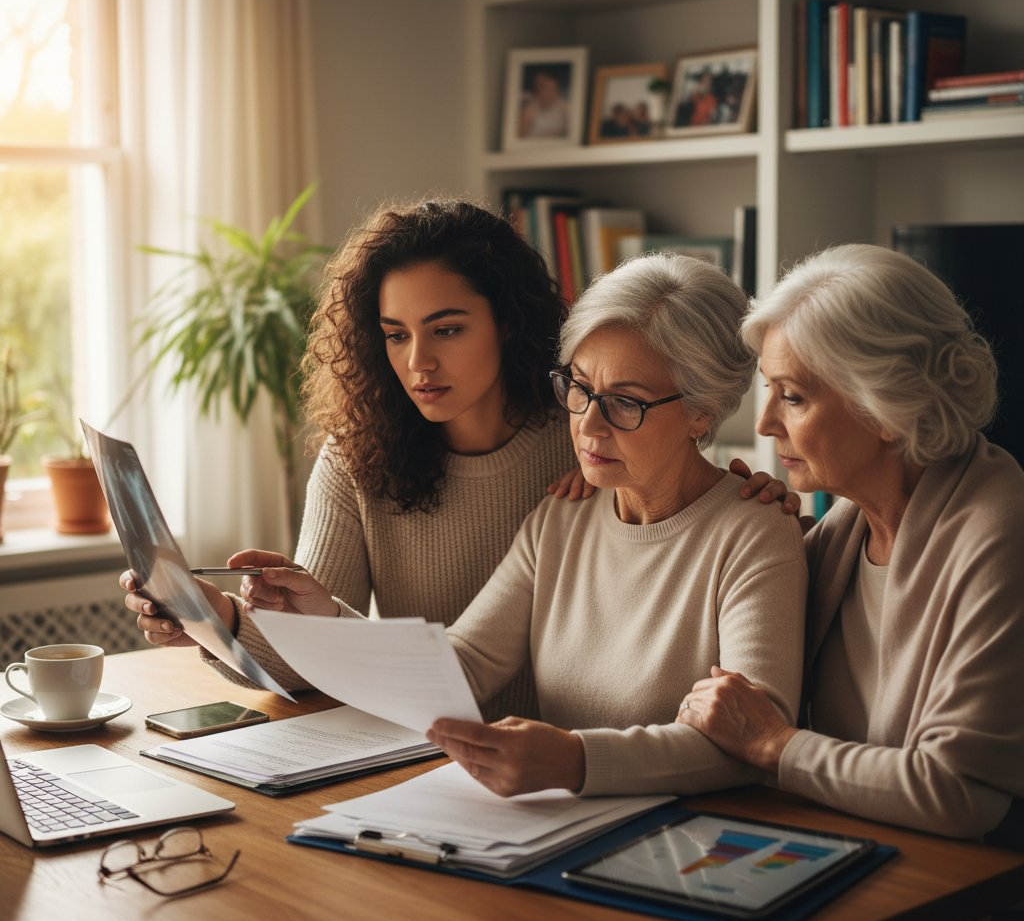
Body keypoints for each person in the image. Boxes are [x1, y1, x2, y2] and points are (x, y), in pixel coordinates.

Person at [237, 253, 808, 798]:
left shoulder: (755, 533)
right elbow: (458, 668)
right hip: (556, 825)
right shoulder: (563, 516)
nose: (588, 427)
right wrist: (324, 617)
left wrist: (576, 761)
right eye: (579, 389)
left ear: (703, 411)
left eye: (625, 403)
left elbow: (752, 738)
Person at [121, 198, 591, 720]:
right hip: (423, 749)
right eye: (396, 335)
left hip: (569, 757)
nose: (418, 362)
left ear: (507, 322)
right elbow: (313, 663)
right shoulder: (360, 456)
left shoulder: (589, 441)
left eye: (447, 329)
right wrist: (217, 616)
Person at [677, 243, 1024, 846]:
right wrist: (737, 536)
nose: (764, 425)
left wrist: (773, 745)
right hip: (841, 847)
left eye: (793, 396)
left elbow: (959, 792)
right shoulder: (843, 527)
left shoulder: (1002, 534)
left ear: (888, 407)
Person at [517, 65, 570, 140]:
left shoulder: (565, 108)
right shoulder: (529, 109)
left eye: (551, 89)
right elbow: (520, 138)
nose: (547, 93)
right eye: (542, 88)